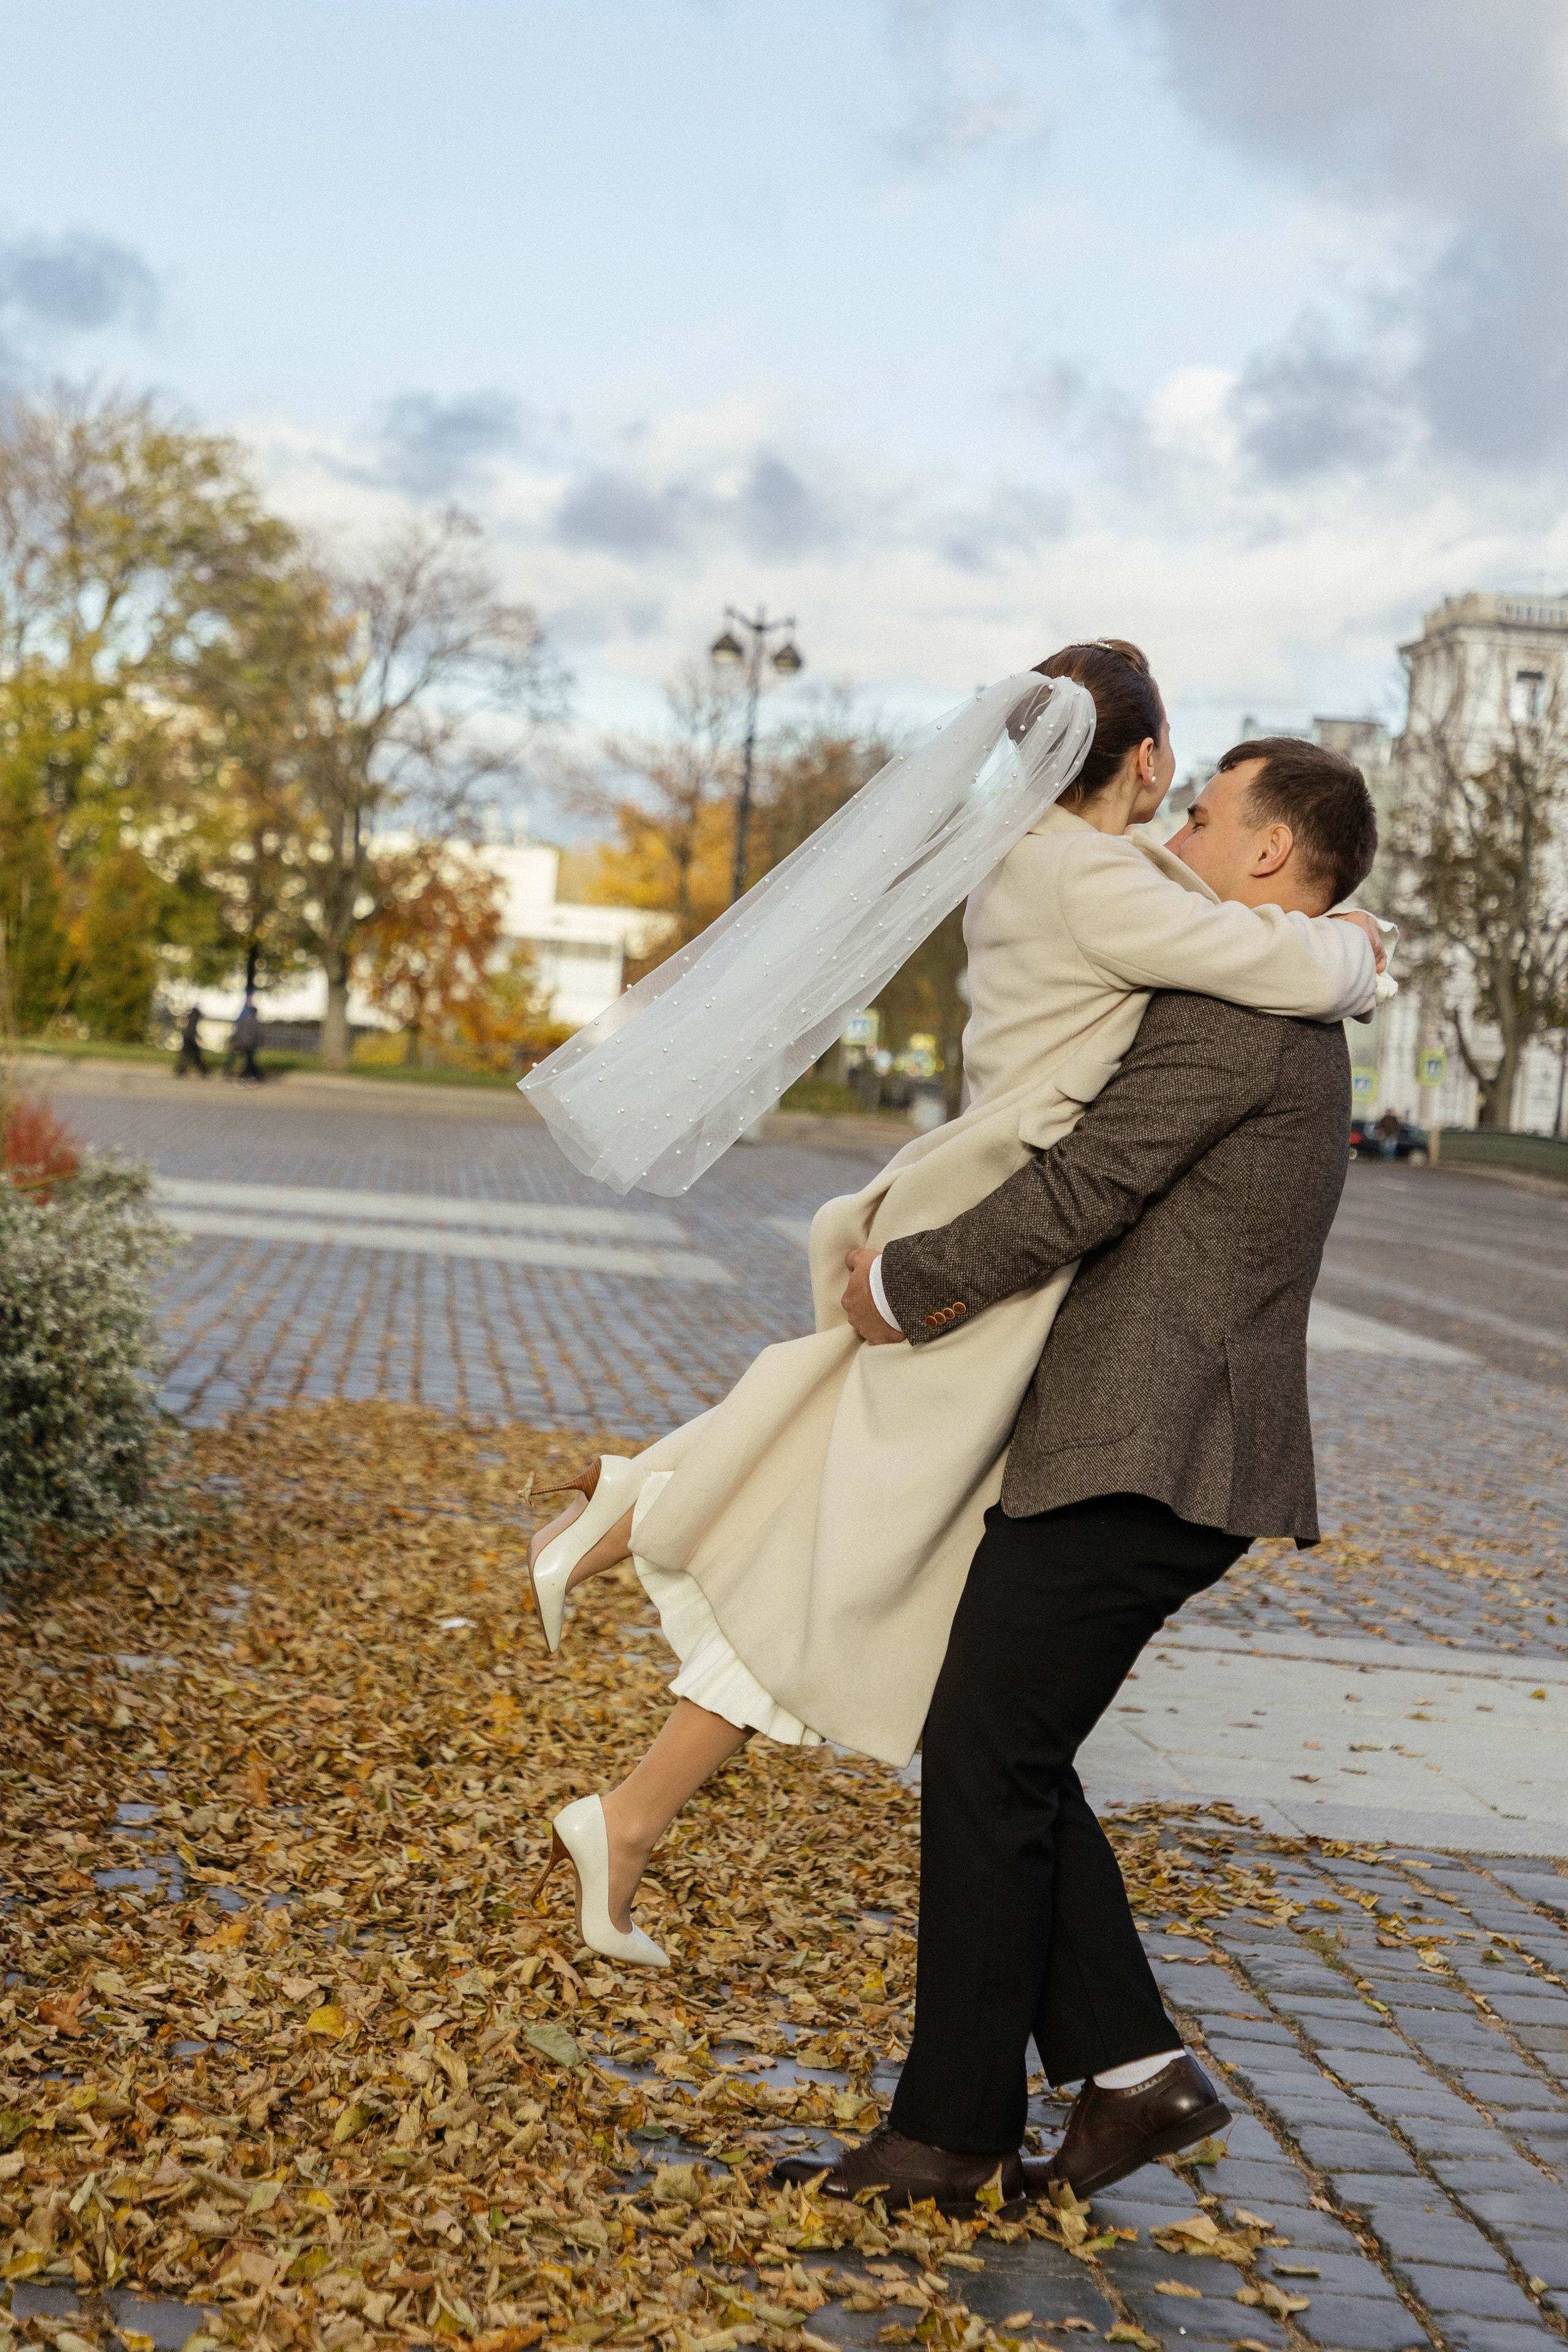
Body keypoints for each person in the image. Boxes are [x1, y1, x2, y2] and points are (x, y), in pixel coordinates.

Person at [521, 649, 1385, 1969]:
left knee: (860, 1518)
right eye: (1181, 780)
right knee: (867, 1524)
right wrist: (1352, 944)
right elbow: (1280, 966)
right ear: (1142, 762)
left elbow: (1219, 921)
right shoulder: (1096, 879)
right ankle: (631, 1530)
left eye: (1213, 809)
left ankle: (630, 1745)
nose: (1187, 814)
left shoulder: (1050, 858)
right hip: (989, 1229)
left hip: (967, 1213)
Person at [768, 736, 1381, 2213]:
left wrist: (905, 1282)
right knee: (1003, 1751)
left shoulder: (1239, 1016)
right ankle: (1127, 2075)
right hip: (1140, 1444)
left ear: (1264, 855)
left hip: (1152, 1449)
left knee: (986, 1755)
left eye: (1204, 811)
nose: (1174, 827)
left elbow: (1081, 1185)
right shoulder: (1259, 989)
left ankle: (950, 2129)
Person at [224, 993, 263, 1083]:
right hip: (247, 1042)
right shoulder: (250, 1018)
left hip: (247, 1042)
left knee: (249, 1060)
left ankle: (250, 1075)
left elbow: (249, 1031)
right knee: (249, 1060)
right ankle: (253, 1076)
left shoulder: (248, 1018)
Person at [175, 1005, 209, 1079]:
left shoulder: (191, 1017)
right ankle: (203, 1071)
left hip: (188, 1037)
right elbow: (192, 1029)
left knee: (188, 1056)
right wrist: (198, 1037)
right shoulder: (195, 1017)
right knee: (194, 1056)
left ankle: (181, 1071)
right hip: (190, 1038)